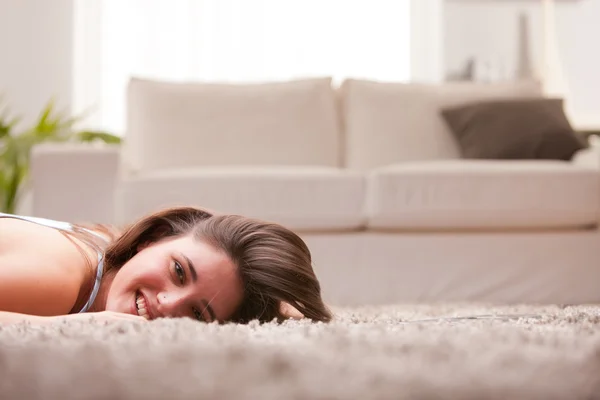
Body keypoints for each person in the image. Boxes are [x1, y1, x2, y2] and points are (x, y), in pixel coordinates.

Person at [0, 206, 332, 325]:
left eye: (198, 313)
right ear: (153, 238)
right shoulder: (60, 279)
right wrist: (62, 326)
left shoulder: (106, 249)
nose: (168, 304)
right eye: (178, 272)